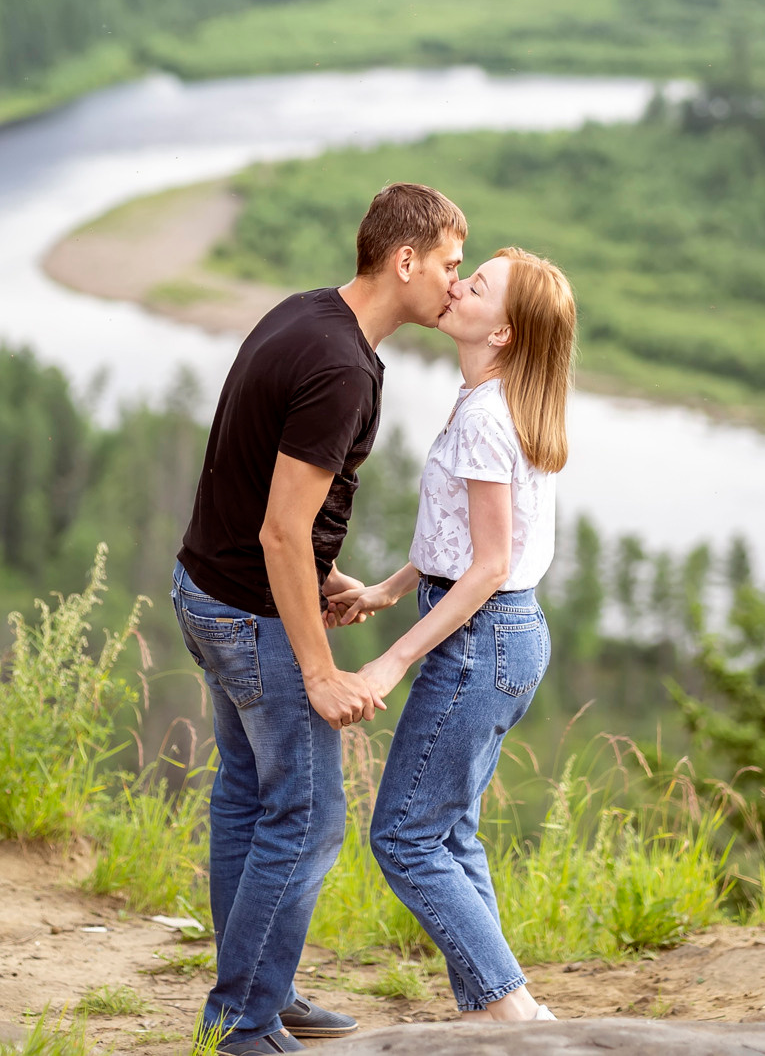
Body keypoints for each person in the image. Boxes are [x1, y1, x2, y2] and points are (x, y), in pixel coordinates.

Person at [173, 183, 468, 1055]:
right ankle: (243, 1019)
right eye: (450, 264)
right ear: (405, 260)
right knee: (306, 816)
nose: (456, 283)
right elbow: (280, 529)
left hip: (205, 589)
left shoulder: (308, 315)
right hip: (251, 614)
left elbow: (256, 488)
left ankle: (259, 985)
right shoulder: (344, 369)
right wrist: (318, 670)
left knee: (247, 795)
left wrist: (327, 575)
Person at [328, 247, 577, 1025]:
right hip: (508, 635)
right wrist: (388, 588)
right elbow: (463, 541)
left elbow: (488, 565)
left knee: (404, 837)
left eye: (477, 285)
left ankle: (517, 1013)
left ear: (501, 332)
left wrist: (393, 660)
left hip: (480, 639)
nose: (457, 285)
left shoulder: (485, 418)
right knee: (451, 831)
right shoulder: (500, 403)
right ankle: (491, 1014)